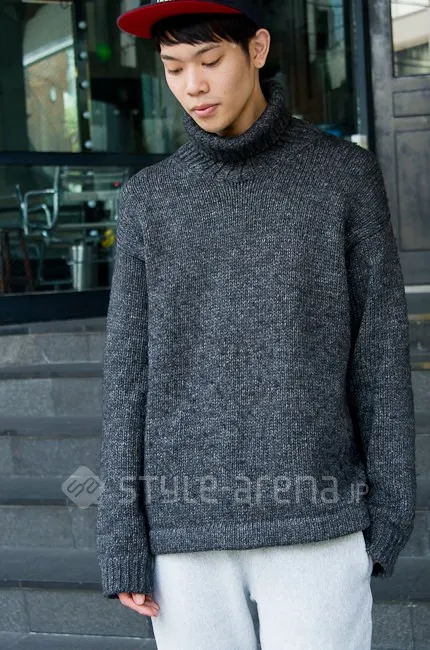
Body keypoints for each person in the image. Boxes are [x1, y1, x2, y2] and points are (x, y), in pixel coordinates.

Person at [96, 0, 417, 648]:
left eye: (210, 60)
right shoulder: (149, 200)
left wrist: (390, 509)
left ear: (258, 49)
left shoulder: (342, 178)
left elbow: (379, 351)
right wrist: (121, 534)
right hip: (186, 533)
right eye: (174, 67)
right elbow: (128, 375)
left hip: (319, 523)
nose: (193, 85)